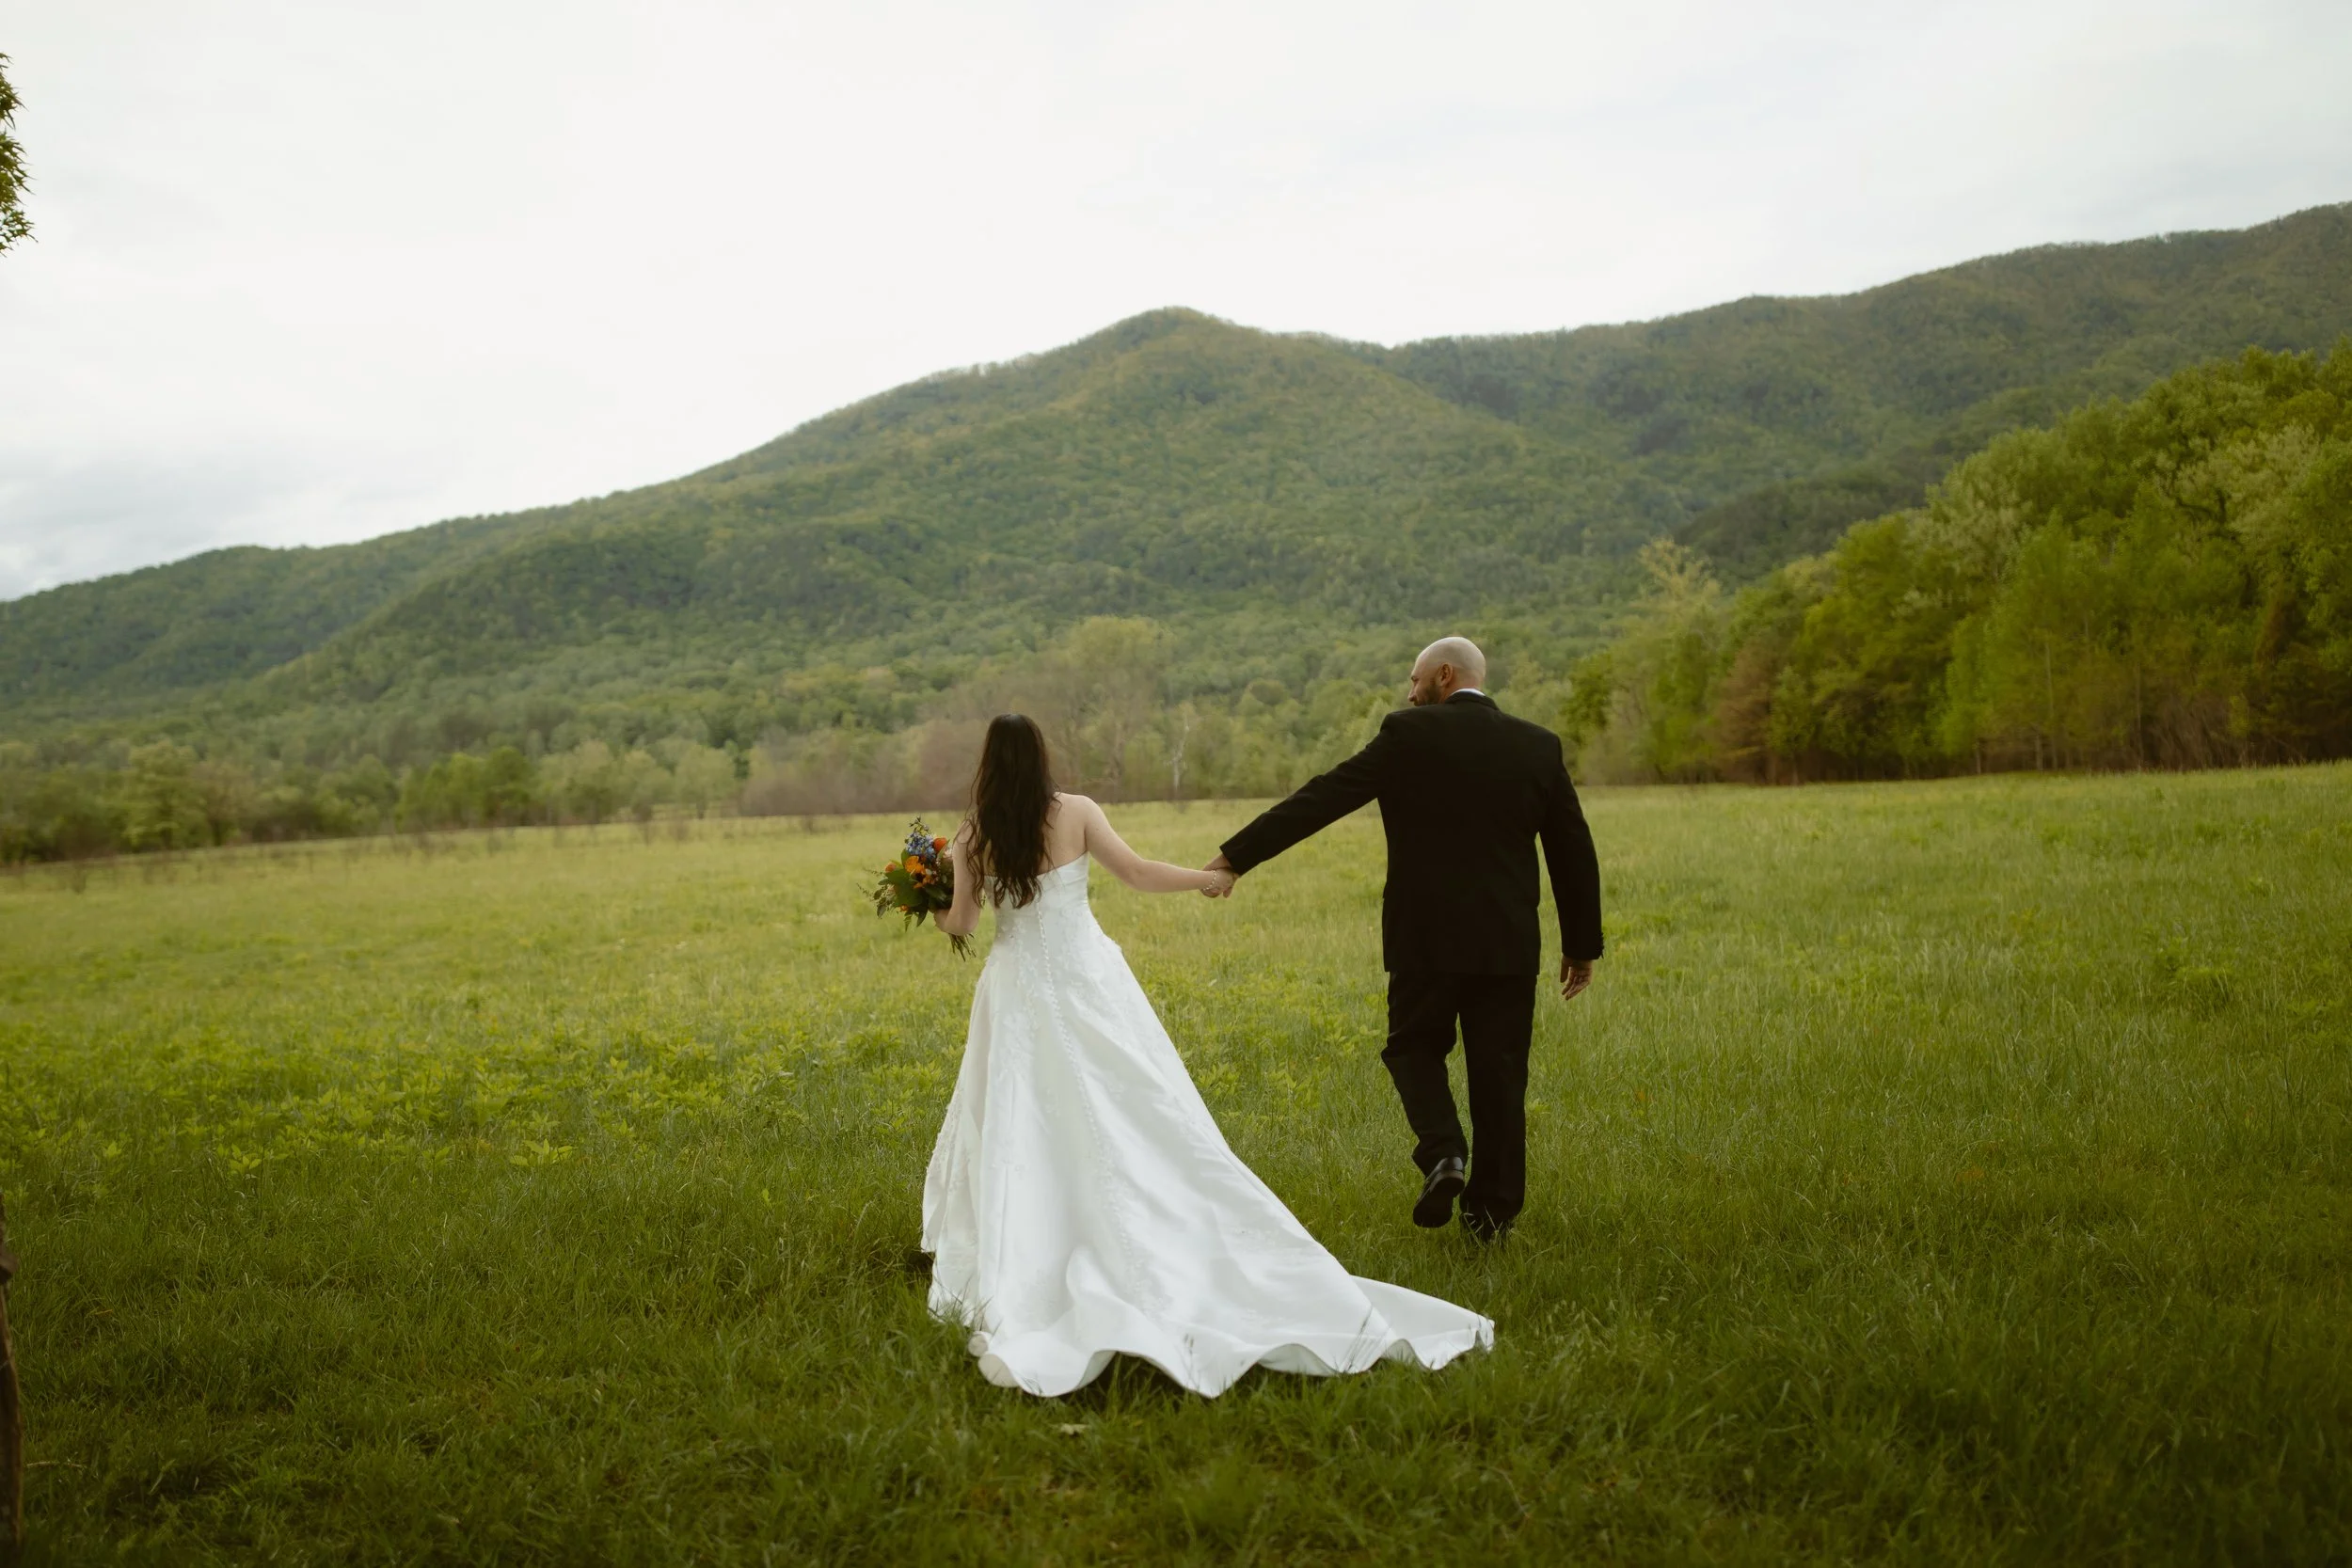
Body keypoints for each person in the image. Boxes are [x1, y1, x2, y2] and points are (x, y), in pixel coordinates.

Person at [924, 713, 1493, 1397]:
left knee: (1021, 1112)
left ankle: (1034, 1229)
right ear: (1039, 757)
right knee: (1130, 1101)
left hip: (1016, 990)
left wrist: (933, 890)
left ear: (988, 764)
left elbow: (960, 923)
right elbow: (1134, 871)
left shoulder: (972, 836)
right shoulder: (1075, 811)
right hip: (1086, 980)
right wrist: (1205, 877)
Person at [1206, 636, 1603, 1243]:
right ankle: (1490, 1217)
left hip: (1426, 939)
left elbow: (1323, 796)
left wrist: (1235, 857)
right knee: (1500, 1075)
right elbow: (1572, 850)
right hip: (1507, 943)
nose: (1409, 691)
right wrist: (1581, 944)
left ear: (1444, 675)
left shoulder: (1407, 735)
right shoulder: (1537, 745)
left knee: (1413, 1048)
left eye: (1415, 680)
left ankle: (1444, 1151)